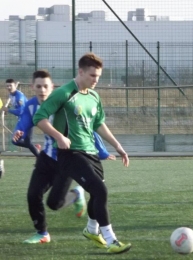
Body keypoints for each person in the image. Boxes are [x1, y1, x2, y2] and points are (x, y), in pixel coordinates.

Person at [33, 53, 131, 254]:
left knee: (97, 194)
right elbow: (39, 117)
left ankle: (91, 229)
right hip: (71, 154)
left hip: (91, 152)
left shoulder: (94, 96)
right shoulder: (64, 93)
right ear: (81, 72)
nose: (96, 80)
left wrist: (117, 146)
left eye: (98, 76)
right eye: (92, 75)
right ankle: (111, 240)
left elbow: (99, 124)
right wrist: (59, 136)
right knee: (101, 191)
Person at [14, 70, 115, 244]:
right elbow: (23, 124)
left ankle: (76, 194)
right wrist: (18, 133)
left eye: (46, 86)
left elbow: (88, 129)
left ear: (52, 87)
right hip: (46, 158)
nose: (42, 90)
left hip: (66, 160)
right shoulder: (31, 106)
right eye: (38, 86)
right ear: (32, 87)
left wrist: (103, 151)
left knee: (54, 204)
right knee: (33, 195)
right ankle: (42, 233)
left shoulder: (63, 101)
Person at [3, 79, 41, 157]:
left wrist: (8, 110)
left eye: (11, 85)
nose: (9, 87)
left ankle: (40, 158)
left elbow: (20, 111)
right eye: (7, 86)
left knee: (17, 141)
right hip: (23, 120)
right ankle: (37, 151)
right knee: (21, 142)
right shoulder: (11, 94)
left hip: (28, 119)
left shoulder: (19, 96)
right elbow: (14, 90)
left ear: (14, 86)